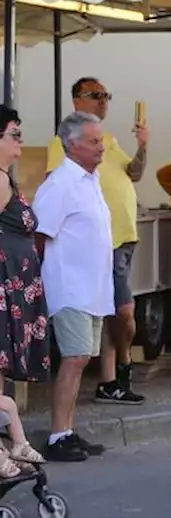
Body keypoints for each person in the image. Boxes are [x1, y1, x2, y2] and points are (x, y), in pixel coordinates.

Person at [45, 77, 146, 406]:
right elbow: (46, 222)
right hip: (88, 254)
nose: (103, 101)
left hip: (117, 241)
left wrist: (143, 145)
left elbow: (134, 172)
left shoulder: (108, 144)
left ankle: (111, 379)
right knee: (119, 314)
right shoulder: (62, 149)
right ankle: (115, 376)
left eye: (106, 95)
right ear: (76, 100)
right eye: (95, 95)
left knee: (108, 315)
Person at [35, 112, 114, 461]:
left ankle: (67, 429)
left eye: (102, 140)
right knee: (75, 357)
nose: (102, 147)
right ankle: (57, 435)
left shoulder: (89, 179)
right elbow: (39, 234)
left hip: (92, 287)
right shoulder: (61, 182)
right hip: (70, 286)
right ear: (72, 145)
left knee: (81, 359)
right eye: (94, 141)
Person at [0, 107, 50, 471]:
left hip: (13, 289)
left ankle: (11, 446)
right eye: (14, 134)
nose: (20, 141)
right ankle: (12, 444)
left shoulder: (5, 178)